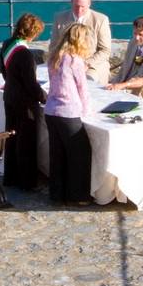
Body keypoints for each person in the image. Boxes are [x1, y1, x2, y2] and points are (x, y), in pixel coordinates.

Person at [43, 22, 97, 204]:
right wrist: (88, 111)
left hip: (51, 110)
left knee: (57, 155)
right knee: (79, 154)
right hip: (68, 112)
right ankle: (79, 196)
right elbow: (82, 89)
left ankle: (57, 195)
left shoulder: (54, 57)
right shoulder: (75, 60)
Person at [0, 13, 46, 191]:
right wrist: (44, 97)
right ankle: (27, 182)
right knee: (26, 142)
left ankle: (11, 177)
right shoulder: (25, 54)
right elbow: (31, 85)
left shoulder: (7, 44)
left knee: (11, 138)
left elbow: (4, 71)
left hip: (10, 96)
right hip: (25, 104)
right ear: (33, 33)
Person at [52, 0, 113, 83]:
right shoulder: (59, 18)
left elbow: (105, 50)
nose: (79, 10)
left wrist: (86, 64)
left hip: (93, 65)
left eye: (83, 7)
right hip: (66, 63)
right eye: (76, 6)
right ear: (71, 2)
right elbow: (54, 45)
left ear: (89, 4)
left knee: (87, 80)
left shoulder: (101, 20)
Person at [107, 15, 143, 91]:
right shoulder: (133, 42)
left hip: (140, 92)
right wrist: (113, 83)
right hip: (123, 86)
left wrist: (122, 86)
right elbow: (124, 69)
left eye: (141, 35)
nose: (136, 38)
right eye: (135, 33)